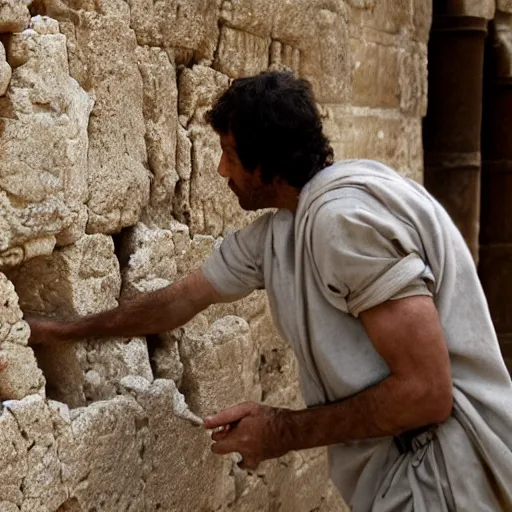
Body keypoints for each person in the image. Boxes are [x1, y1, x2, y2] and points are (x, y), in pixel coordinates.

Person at [28, 71, 512, 511]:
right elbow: (179, 300)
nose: (220, 171)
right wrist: (59, 330)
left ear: (270, 165)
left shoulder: (341, 222)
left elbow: (425, 394)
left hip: (445, 477)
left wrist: (280, 431)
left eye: (232, 156)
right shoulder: (286, 231)